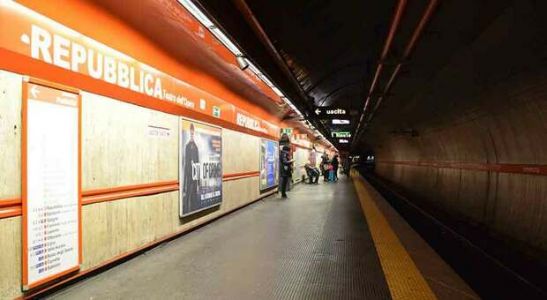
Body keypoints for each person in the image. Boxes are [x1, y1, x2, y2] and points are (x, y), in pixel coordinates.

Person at [182, 123, 200, 214]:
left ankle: (194, 210)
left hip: (195, 174)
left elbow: (198, 162)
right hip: (189, 174)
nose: (192, 134)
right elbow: (186, 163)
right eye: (191, 132)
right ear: (190, 132)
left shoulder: (196, 147)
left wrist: (198, 181)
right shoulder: (187, 146)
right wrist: (184, 183)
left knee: (194, 194)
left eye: (193, 133)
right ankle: (187, 210)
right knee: (188, 194)